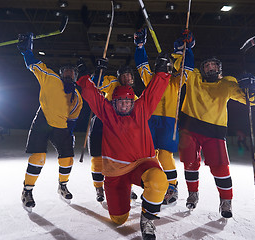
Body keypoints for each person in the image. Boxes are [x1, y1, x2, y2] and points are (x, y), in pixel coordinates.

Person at [76, 52, 172, 240]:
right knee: (118, 219)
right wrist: (83, 76)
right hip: (116, 173)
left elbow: (154, 91)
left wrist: (162, 70)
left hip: (142, 165)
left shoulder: (141, 109)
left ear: (133, 102)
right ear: (114, 103)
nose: (124, 106)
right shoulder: (107, 112)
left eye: (128, 102)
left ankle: (147, 219)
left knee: (159, 180)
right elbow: (91, 93)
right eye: (120, 103)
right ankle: (124, 191)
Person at [174, 30, 255, 218]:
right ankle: (193, 194)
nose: (211, 68)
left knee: (221, 167)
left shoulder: (227, 83)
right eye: (208, 65)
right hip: (189, 128)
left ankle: (226, 201)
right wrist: (182, 50)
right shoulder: (194, 76)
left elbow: (250, 100)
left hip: (214, 132)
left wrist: (252, 88)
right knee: (190, 163)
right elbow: (181, 67)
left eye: (214, 65)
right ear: (202, 68)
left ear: (219, 68)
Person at [17, 33, 83, 211]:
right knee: (38, 158)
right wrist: (26, 51)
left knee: (68, 158)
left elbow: (72, 120)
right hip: (43, 121)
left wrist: (70, 133)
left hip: (61, 128)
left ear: (76, 77)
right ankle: (27, 191)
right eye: (66, 72)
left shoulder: (77, 98)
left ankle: (62, 186)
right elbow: (33, 64)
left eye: (72, 72)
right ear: (61, 74)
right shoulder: (51, 78)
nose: (69, 74)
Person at [133, 28, 195, 205]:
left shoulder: (176, 81)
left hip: (168, 121)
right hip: (150, 121)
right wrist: (139, 46)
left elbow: (187, 67)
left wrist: (187, 49)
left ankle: (172, 187)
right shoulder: (151, 79)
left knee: (165, 156)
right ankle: (152, 184)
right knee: (148, 156)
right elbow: (141, 64)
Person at [88, 61, 139, 202]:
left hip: (118, 131)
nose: (127, 78)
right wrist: (100, 72)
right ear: (119, 77)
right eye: (123, 76)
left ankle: (128, 187)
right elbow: (97, 85)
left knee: (124, 159)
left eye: (129, 75)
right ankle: (99, 188)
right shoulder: (112, 84)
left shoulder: (134, 97)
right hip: (101, 124)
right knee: (98, 158)